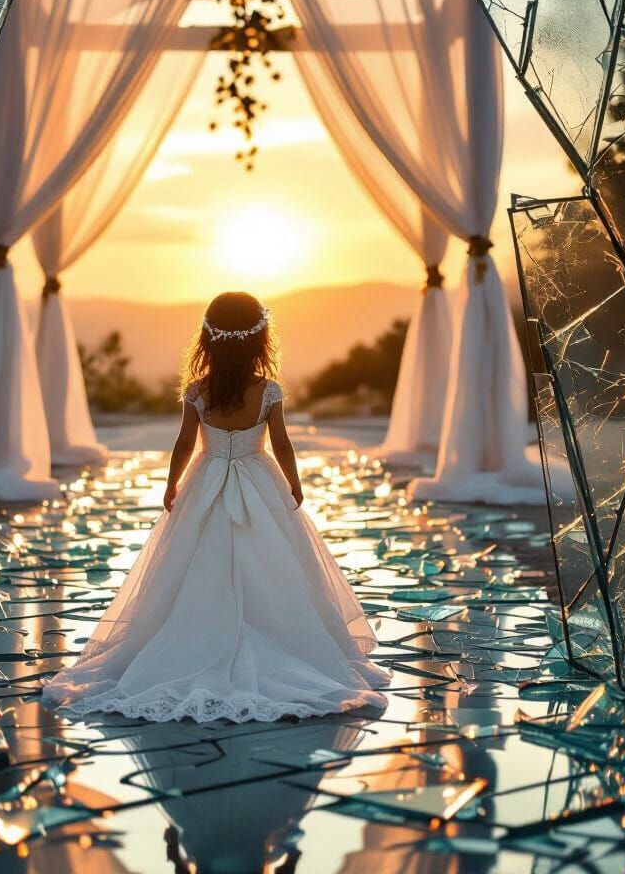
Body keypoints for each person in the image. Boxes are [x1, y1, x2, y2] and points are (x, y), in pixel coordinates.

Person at [43, 292, 388, 722]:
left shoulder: (198, 390)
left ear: (209, 339)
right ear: (260, 339)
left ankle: (195, 637)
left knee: (194, 561)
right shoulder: (268, 390)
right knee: (269, 561)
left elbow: (185, 442)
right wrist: (294, 483)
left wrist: (172, 483)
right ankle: (279, 639)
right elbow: (280, 441)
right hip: (259, 480)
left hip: (204, 481)